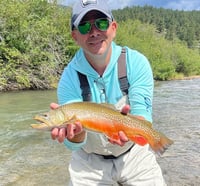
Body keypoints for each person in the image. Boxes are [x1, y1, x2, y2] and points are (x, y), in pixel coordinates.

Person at [51, 0, 166, 185]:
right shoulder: (68, 78)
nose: (94, 31)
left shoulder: (137, 63)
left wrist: (132, 131)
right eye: (84, 26)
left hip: (134, 154)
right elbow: (73, 143)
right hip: (88, 162)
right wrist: (76, 134)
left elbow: (143, 114)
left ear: (113, 28)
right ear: (75, 36)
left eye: (101, 23)